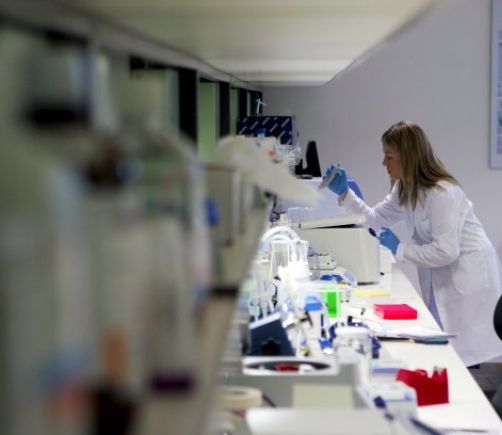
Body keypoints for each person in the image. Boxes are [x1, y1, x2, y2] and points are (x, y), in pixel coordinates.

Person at [324, 120, 502, 367]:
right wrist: (345, 194)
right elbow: (375, 219)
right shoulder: (405, 188)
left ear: (408, 157)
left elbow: (446, 251)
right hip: (445, 273)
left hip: (468, 273)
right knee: (449, 347)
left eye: (389, 157)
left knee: (464, 352)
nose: (383, 163)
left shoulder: (442, 193)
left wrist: (400, 248)